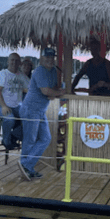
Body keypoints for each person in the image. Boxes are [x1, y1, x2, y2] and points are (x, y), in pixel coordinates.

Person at [18, 48, 65, 180]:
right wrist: (57, 93)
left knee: (45, 139)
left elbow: (53, 90)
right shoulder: (39, 71)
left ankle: (26, 165)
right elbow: (46, 91)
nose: (50, 59)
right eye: (47, 57)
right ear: (42, 59)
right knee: (30, 140)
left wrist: (55, 92)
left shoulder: (54, 71)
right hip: (30, 109)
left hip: (40, 110)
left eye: (52, 57)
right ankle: (26, 169)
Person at [0, 53, 29, 150]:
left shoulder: (22, 76)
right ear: (8, 61)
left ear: (20, 63)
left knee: (32, 118)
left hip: (16, 106)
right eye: (12, 60)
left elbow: (29, 89)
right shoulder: (2, 74)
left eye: (17, 60)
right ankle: (6, 141)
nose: (14, 62)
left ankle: (13, 136)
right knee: (9, 118)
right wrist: (3, 106)